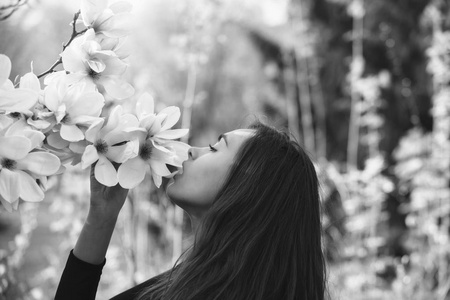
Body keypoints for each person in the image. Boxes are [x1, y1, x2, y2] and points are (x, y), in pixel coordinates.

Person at [55, 121, 327, 300]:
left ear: (250, 184)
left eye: (214, 148)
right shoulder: (187, 284)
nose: (190, 151)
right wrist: (102, 216)